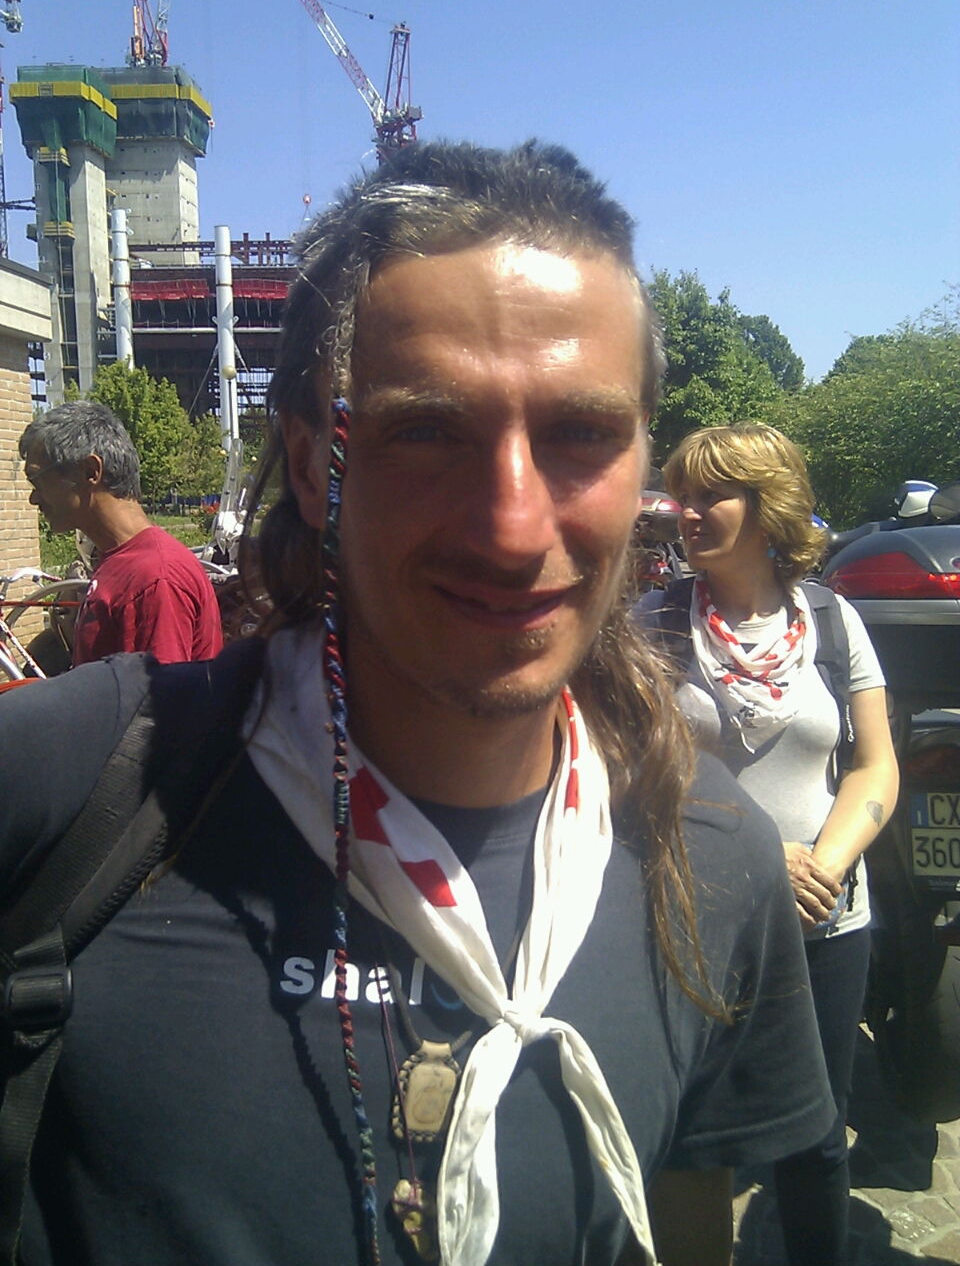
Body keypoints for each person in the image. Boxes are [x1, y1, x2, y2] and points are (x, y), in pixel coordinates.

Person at [0, 144, 835, 1266]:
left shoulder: (715, 861)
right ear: (311, 466)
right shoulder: (76, 784)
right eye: (428, 430)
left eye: (582, 433)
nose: (514, 527)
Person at [641, 422, 899, 1266]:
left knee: (817, 1136)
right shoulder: (654, 623)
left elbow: (874, 766)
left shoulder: (833, 620)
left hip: (825, 922)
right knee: (694, 1137)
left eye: (711, 494)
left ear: (768, 506)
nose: (686, 511)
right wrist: (758, 856)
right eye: (682, 494)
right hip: (699, 920)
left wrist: (826, 865)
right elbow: (625, 772)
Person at [19, 401, 223, 666]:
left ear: (90, 472)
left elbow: (155, 692)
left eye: (38, 481)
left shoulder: (154, 578)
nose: (34, 499)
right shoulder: (121, 561)